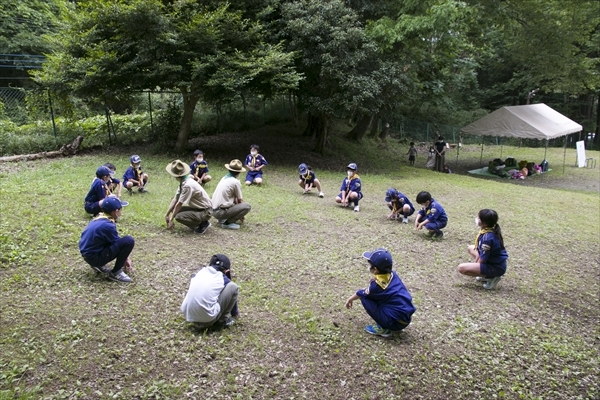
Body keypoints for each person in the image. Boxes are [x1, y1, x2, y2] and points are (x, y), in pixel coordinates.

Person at [345, 248, 416, 338]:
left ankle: (383, 328)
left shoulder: (377, 286)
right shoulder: (393, 275)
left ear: (375, 269)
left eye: (370, 264)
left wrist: (350, 299)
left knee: (364, 297)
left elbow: (362, 293)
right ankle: (393, 321)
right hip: (405, 319)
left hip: (394, 323)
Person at [79, 197, 135, 283]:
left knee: (115, 241)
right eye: (120, 210)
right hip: (94, 257)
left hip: (87, 255)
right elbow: (119, 244)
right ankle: (116, 272)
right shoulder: (108, 226)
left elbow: (113, 240)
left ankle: (98, 264)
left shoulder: (99, 217)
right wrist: (125, 259)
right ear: (116, 212)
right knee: (129, 240)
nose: (120, 213)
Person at [180, 254, 239, 329]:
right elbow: (231, 289)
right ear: (226, 271)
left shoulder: (199, 272)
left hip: (189, 316)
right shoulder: (221, 277)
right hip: (207, 319)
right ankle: (222, 321)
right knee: (233, 287)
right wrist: (235, 313)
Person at [457, 209, 508, 290]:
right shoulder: (488, 230)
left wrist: (475, 267)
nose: (477, 219)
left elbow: (482, 259)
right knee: (471, 248)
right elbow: (481, 251)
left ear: (485, 223)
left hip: (495, 267)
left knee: (461, 268)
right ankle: (485, 274)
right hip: (493, 261)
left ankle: (493, 277)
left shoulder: (487, 238)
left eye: (479, 218)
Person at [164, 159, 213, 234]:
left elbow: (179, 203)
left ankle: (202, 224)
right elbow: (175, 199)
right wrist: (166, 215)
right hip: (199, 208)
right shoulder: (184, 181)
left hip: (206, 211)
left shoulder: (187, 185)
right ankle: (200, 221)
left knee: (179, 216)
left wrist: (171, 219)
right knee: (173, 209)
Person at [212, 159, 252, 229]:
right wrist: (240, 214)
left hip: (213, 210)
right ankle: (228, 223)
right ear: (238, 172)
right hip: (220, 212)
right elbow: (240, 201)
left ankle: (221, 219)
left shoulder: (224, 178)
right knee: (247, 206)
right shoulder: (235, 182)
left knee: (231, 202)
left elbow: (235, 199)